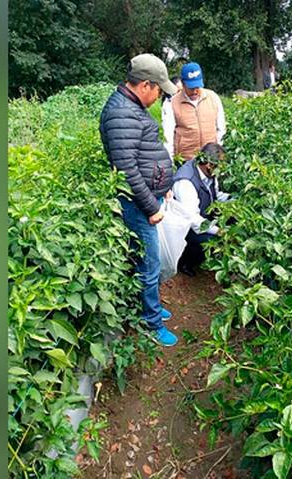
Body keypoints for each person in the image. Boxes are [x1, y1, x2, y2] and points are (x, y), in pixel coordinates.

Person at [99, 53, 181, 347]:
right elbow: (127, 170)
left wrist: (163, 184)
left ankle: (152, 308)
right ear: (145, 85)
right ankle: (151, 322)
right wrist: (151, 206)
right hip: (138, 205)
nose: (160, 95)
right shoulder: (122, 113)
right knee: (149, 265)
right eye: (159, 89)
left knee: (150, 262)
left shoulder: (130, 107)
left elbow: (142, 155)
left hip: (146, 199)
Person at [171, 143, 231, 277]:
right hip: (186, 226)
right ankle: (185, 262)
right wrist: (219, 231)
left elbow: (215, 195)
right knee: (207, 240)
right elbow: (194, 221)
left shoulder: (208, 173)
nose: (222, 170)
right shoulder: (186, 182)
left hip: (201, 215)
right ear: (209, 165)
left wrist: (233, 200)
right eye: (220, 165)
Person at [162, 62, 226, 161]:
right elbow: (168, 137)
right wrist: (169, 162)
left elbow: (221, 128)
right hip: (185, 160)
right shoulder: (172, 103)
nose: (195, 91)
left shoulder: (213, 98)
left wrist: (217, 151)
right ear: (183, 84)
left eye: (197, 87)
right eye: (191, 88)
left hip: (210, 160)